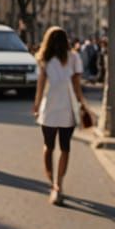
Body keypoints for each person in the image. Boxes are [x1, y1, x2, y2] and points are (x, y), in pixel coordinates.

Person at [33, 26, 90, 204]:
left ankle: (52, 182)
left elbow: (41, 86)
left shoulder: (44, 59)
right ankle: (59, 184)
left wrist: (36, 105)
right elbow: (77, 86)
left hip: (49, 107)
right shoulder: (74, 58)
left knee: (48, 146)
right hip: (68, 107)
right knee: (65, 147)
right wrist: (83, 105)